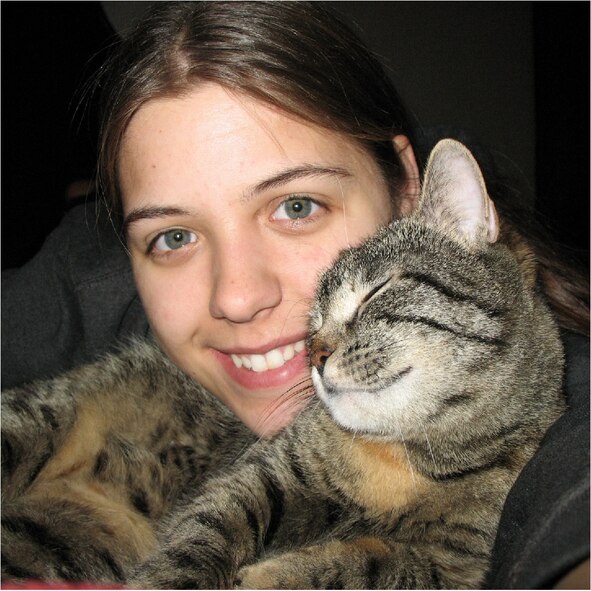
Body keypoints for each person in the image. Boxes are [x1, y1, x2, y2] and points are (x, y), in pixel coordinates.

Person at [2, 2, 588, 587]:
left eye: (296, 206)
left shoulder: (538, 375)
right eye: (173, 236)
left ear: (407, 190)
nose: (236, 297)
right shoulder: (81, 280)